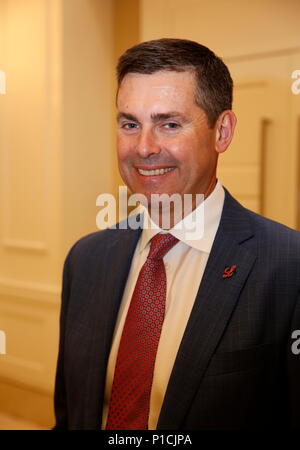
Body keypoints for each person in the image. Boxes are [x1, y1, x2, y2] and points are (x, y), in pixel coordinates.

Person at [53, 38, 300, 430]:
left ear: (222, 132)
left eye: (169, 124)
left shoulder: (289, 266)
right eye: (130, 124)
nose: (144, 148)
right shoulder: (85, 260)